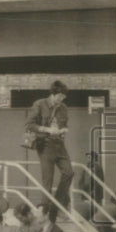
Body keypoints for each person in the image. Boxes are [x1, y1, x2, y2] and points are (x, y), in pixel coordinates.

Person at [26, 80, 74, 209]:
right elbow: (29, 125)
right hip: (45, 144)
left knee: (69, 172)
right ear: (54, 94)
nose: (63, 99)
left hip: (59, 144)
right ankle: (45, 208)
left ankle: (57, 202)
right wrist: (47, 130)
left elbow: (64, 124)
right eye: (61, 96)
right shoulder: (39, 104)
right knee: (48, 180)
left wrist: (64, 130)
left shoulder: (63, 107)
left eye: (64, 97)